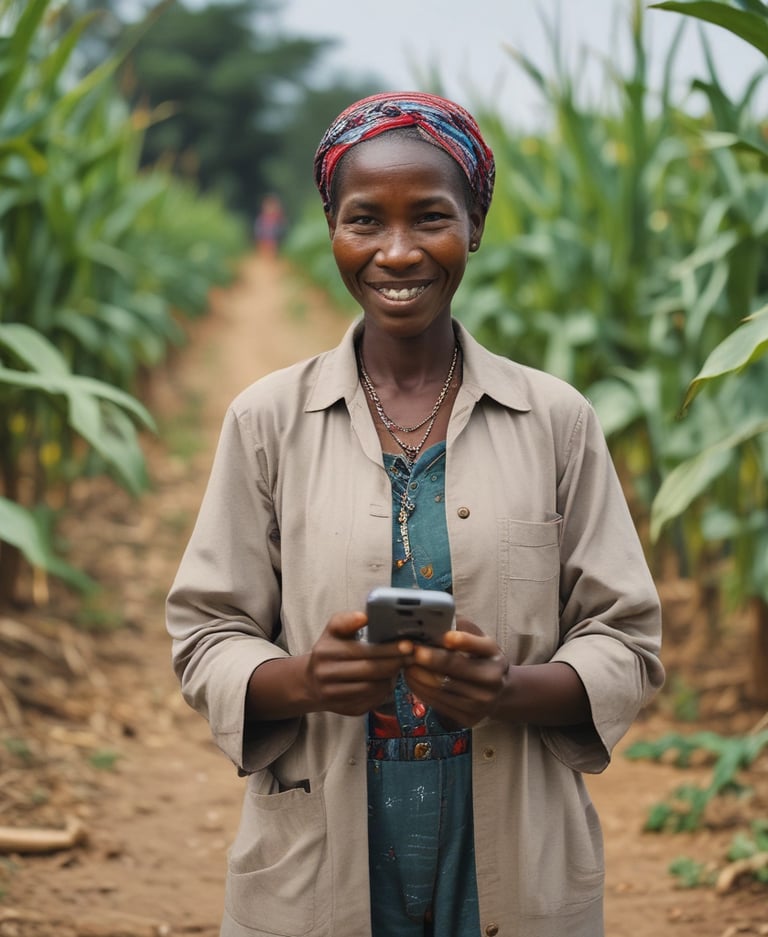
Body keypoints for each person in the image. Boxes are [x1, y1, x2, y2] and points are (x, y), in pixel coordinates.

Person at [166, 91, 664, 937]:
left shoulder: (555, 419)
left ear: (473, 224)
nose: (397, 252)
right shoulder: (267, 420)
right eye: (365, 220)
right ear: (331, 228)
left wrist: (508, 686)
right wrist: (304, 679)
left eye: (430, 216)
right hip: (318, 853)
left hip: (512, 850)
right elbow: (207, 632)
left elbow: (626, 638)